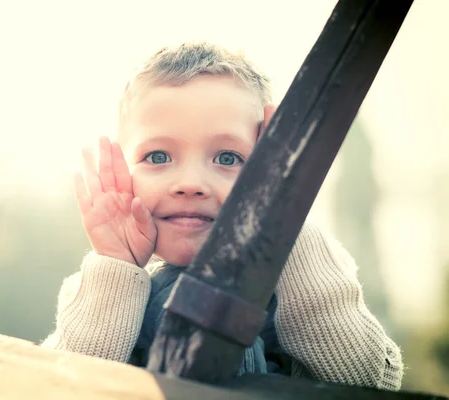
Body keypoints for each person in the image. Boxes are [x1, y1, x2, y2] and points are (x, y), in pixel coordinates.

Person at [41, 41, 404, 390]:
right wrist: (116, 265)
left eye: (227, 158)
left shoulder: (306, 272)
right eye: (158, 156)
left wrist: (284, 227)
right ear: (122, 170)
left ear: (268, 167)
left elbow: (372, 383)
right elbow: (49, 388)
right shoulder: (100, 289)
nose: (190, 184)